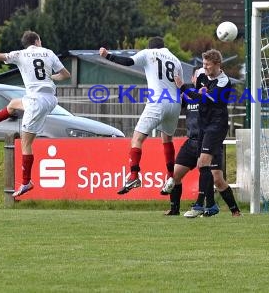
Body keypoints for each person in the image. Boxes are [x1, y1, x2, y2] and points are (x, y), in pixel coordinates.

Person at [0, 31, 71, 197]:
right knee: (13, 104)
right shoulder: (49, 52)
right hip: (50, 100)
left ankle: (26, 182)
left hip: (36, 102)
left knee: (26, 144)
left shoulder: (20, 55)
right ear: (38, 41)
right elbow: (66, 75)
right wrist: (51, 77)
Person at [99, 36, 182, 194]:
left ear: (151, 47)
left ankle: (134, 175)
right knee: (167, 140)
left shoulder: (148, 53)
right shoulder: (176, 60)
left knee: (137, 139)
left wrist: (108, 55)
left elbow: (128, 62)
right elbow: (180, 85)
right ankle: (171, 176)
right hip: (175, 103)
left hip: (158, 101)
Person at [163, 72, 241, 217]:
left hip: (210, 140)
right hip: (192, 141)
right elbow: (178, 104)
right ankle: (175, 209)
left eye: (203, 76)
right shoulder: (188, 93)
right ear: (193, 78)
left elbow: (212, 102)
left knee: (217, 179)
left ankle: (234, 211)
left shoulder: (210, 93)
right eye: (198, 76)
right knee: (175, 174)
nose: (201, 79)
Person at [174, 49, 231, 217]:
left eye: (208, 65)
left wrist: (182, 87)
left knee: (204, 163)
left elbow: (202, 98)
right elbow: (197, 95)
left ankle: (199, 205)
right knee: (201, 165)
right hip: (203, 125)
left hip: (217, 126)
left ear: (217, 65)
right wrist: (191, 92)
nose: (204, 67)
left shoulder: (223, 83)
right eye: (203, 64)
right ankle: (211, 205)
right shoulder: (200, 73)